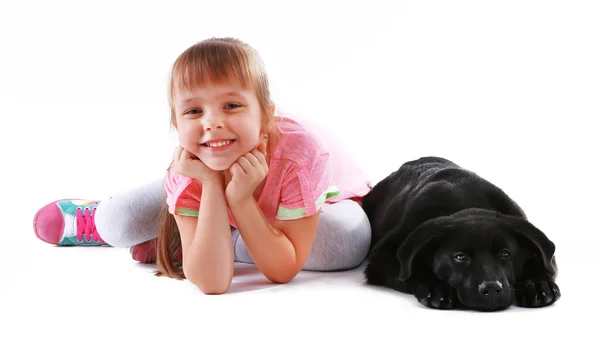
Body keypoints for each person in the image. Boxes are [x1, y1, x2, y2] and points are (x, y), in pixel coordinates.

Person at [33, 37, 373, 294]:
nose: (211, 122)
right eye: (193, 111)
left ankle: (207, 238)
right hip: (210, 179)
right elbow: (212, 284)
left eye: (231, 105)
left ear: (265, 115)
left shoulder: (300, 155)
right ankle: (201, 233)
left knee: (346, 244)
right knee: (115, 223)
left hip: (318, 201)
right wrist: (211, 186)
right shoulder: (190, 168)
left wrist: (240, 200)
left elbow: (283, 271)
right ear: (176, 124)